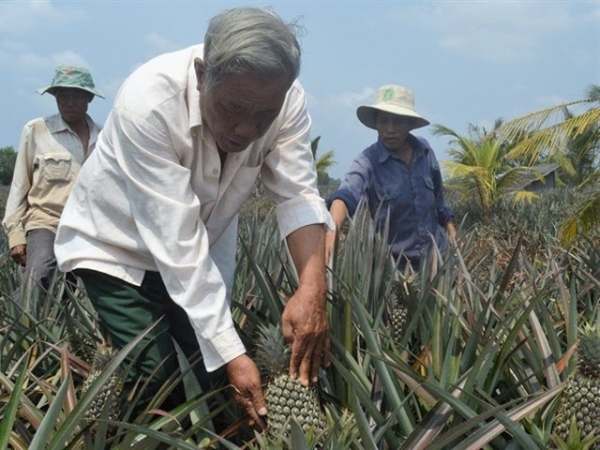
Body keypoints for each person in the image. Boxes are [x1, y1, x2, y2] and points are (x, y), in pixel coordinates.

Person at [54, 7, 332, 427]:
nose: (247, 130)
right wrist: (235, 354)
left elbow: (297, 194)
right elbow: (175, 240)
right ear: (203, 75)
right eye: (233, 108)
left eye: (264, 115)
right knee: (157, 374)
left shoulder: (284, 98)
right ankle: (116, 433)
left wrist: (312, 289)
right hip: (115, 248)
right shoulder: (149, 104)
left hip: (197, 250)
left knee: (209, 376)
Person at [2, 65, 104, 307]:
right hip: (46, 221)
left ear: (88, 98)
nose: (69, 102)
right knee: (41, 270)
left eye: (77, 96)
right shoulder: (36, 130)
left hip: (88, 228)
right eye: (62, 96)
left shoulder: (104, 137)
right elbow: (19, 185)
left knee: (87, 288)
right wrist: (15, 234)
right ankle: (14, 329)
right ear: (55, 98)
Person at [326, 84, 456, 272]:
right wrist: (331, 234)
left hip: (439, 261)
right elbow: (346, 195)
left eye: (398, 122)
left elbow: (439, 200)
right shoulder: (368, 161)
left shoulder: (425, 151)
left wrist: (451, 229)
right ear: (376, 124)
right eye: (384, 122)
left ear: (410, 124)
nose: (390, 129)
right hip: (396, 272)